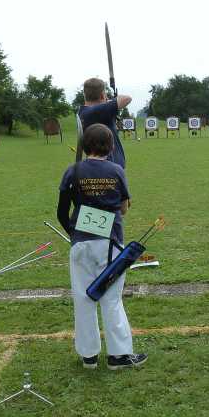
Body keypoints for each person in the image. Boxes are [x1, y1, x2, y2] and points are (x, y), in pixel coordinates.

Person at [58, 123, 146, 370]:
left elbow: (62, 212)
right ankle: (119, 356)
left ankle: (89, 356)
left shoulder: (72, 171)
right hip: (111, 243)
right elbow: (124, 208)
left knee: (82, 298)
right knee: (112, 299)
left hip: (81, 243)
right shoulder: (116, 170)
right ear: (111, 146)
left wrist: (75, 234)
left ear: (85, 146)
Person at [78, 78, 132, 168]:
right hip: (107, 168)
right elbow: (127, 99)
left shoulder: (84, 111)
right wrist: (111, 101)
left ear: (85, 95)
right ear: (102, 95)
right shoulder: (98, 111)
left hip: (103, 167)